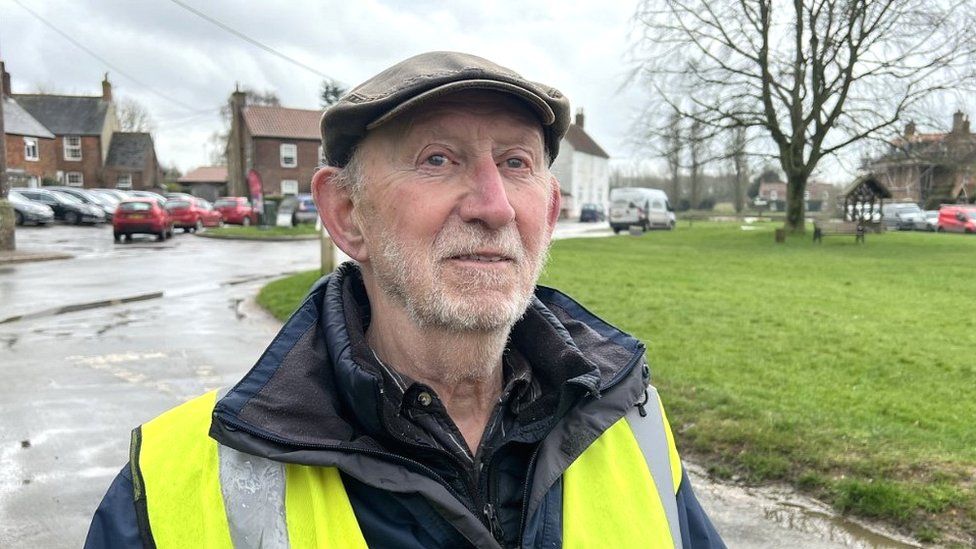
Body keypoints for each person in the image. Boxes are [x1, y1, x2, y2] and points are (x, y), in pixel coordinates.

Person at [85, 51, 725, 549]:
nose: (494, 206)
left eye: (517, 163)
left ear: (550, 212)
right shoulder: (173, 487)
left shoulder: (627, 419)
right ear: (346, 212)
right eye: (437, 159)